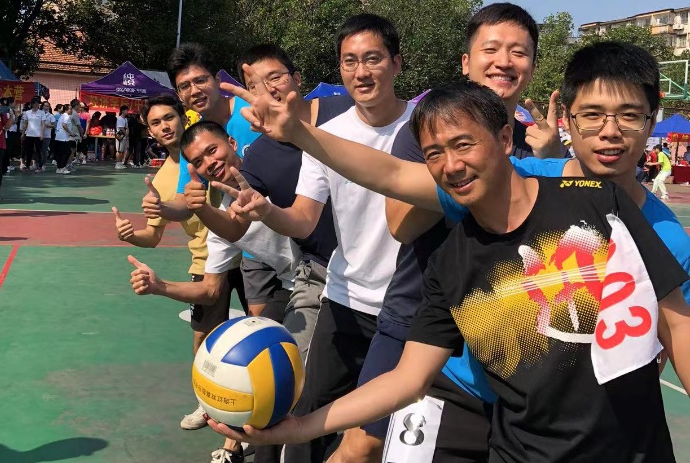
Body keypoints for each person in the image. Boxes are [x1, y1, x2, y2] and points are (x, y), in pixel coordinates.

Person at [209, 78, 690, 463]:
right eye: (434, 154)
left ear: (505, 139)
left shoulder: (598, 204)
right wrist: (300, 427)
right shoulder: (450, 264)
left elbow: (677, 325)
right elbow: (406, 380)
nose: (452, 165)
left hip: (628, 449)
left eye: (464, 145)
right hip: (523, 451)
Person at [217, 14, 412, 463]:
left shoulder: (422, 126)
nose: (361, 72)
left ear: (397, 63)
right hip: (346, 297)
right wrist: (267, 210)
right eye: (349, 62)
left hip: (408, 305)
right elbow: (304, 221)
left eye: (373, 59)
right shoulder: (326, 136)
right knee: (308, 417)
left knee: (376, 437)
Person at [130, 121, 299, 463]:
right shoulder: (221, 221)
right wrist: (160, 286)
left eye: (213, 150)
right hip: (293, 284)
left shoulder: (277, 170)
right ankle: (235, 449)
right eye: (199, 161)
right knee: (260, 355)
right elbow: (210, 290)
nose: (210, 162)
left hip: (329, 274)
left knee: (308, 378)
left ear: (232, 143)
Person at [20, 97, 45, 171]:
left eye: (37, 103)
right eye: (35, 103)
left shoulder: (41, 113)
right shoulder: (27, 113)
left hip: (38, 134)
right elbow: (25, 123)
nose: (36, 105)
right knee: (29, 150)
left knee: (38, 150)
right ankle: (27, 165)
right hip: (29, 134)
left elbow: (43, 124)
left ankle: (40, 166)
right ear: (32, 104)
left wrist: (42, 134)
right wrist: (23, 133)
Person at [54, 105, 73, 174]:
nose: (71, 110)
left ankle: (59, 168)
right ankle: (62, 167)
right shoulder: (66, 116)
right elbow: (64, 125)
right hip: (63, 138)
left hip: (58, 136)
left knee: (59, 153)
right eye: (70, 109)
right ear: (66, 110)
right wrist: (70, 133)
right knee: (67, 152)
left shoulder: (62, 116)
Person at [38, 101, 55, 172]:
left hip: (47, 135)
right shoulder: (38, 113)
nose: (46, 107)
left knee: (44, 150)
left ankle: (44, 164)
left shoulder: (50, 115)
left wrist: (46, 125)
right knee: (37, 150)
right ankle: (37, 163)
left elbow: (53, 125)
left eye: (47, 106)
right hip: (37, 134)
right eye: (45, 106)